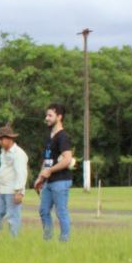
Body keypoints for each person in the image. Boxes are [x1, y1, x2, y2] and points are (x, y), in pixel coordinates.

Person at [34, 103, 73, 242]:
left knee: (61, 212)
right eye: (47, 115)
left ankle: (64, 241)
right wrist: (40, 177)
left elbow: (67, 159)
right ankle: (48, 239)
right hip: (49, 182)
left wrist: (50, 170)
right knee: (44, 211)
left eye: (50, 115)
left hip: (61, 181)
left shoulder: (62, 136)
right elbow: (47, 159)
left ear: (59, 117)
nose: (47, 118)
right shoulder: (49, 136)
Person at [0, 126, 28, 237]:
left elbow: (21, 173)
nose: (0, 142)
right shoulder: (3, 152)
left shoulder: (18, 153)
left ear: (9, 138)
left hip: (13, 190)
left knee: (12, 217)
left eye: (2, 139)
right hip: (2, 190)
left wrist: (19, 192)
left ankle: (12, 240)